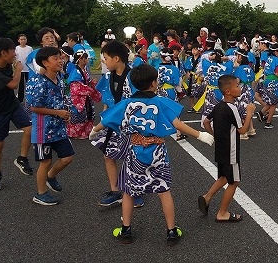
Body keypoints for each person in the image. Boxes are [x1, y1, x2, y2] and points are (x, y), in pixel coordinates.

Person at [89, 64, 214, 244]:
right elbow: (178, 125)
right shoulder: (161, 101)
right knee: (164, 191)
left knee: (128, 191)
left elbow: (106, 120)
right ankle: (171, 232)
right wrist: (200, 135)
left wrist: (94, 130)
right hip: (157, 152)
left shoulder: (126, 104)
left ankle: (126, 230)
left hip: (134, 152)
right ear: (154, 83)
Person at [199, 74, 255, 222]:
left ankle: (207, 197)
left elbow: (206, 122)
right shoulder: (232, 108)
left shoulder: (219, 105)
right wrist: (249, 113)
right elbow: (242, 130)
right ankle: (222, 213)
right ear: (228, 91)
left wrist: (215, 136)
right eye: (237, 86)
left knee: (224, 176)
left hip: (221, 149)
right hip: (231, 151)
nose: (239, 88)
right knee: (234, 181)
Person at [93, 40, 142, 207]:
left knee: (132, 158)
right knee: (108, 155)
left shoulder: (134, 76)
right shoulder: (108, 76)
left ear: (116, 58)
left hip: (131, 125)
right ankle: (115, 191)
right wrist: (104, 119)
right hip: (113, 122)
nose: (104, 61)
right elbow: (108, 100)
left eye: (106, 58)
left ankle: (134, 193)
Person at [25, 46, 75, 205]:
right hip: (42, 130)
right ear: (45, 63)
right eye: (56, 58)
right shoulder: (40, 82)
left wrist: (65, 112)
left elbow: (61, 99)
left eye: (60, 57)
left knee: (67, 158)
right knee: (45, 162)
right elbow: (33, 108)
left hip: (58, 128)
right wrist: (57, 113)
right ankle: (41, 193)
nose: (60, 61)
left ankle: (50, 176)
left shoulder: (59, 78)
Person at [0, 38, 34, 192]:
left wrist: (14, 67)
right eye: (12, 50)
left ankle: (22, 159)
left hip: (12, 105)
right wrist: (18, 69)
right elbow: (13, 85)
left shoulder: (7, 64)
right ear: (3, 53)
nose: (15, 53)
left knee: (29, 129)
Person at [67, 50, 101, 139]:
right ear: (81, 59)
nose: (88, 60)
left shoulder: (83, 70)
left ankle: (86, 131)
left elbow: (86, 82)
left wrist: (91, 83)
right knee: (79, 115)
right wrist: (88, 89)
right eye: (86, 58)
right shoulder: (75, 71)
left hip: (85, 97)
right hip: (79, 98)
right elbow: (75, 86)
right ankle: (77, 133)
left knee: (88, 114)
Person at [256, 43, 278, 129]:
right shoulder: (277, 60)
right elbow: (277, 73)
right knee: (274, 102)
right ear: (276, 52)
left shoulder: (269, 58)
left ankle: (262, 113)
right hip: (274, 81)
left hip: (266, 80)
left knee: (270, 101)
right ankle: (268, 122)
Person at [233, 50, 256, 139]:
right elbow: (253, 81)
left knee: (241, 110)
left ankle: (243, 132)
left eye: (237, 56)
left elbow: (237, 81)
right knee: (248, 109)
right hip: (249, 89)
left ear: (240, 57)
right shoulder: (249, 68)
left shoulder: (239, 69)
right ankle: (251, 128)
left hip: (242, 90)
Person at [15, 34, 33, 102]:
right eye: (21, 39)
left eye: (24, 39)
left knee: (29, 84)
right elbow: (14, 58)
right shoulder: (16, 48)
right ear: (18, 40)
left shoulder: (30, 48)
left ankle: (30, 98)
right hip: (20, 70)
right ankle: (20, 99)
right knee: (21, 85)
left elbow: (32, 58)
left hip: (28, 69)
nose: (23, 40)